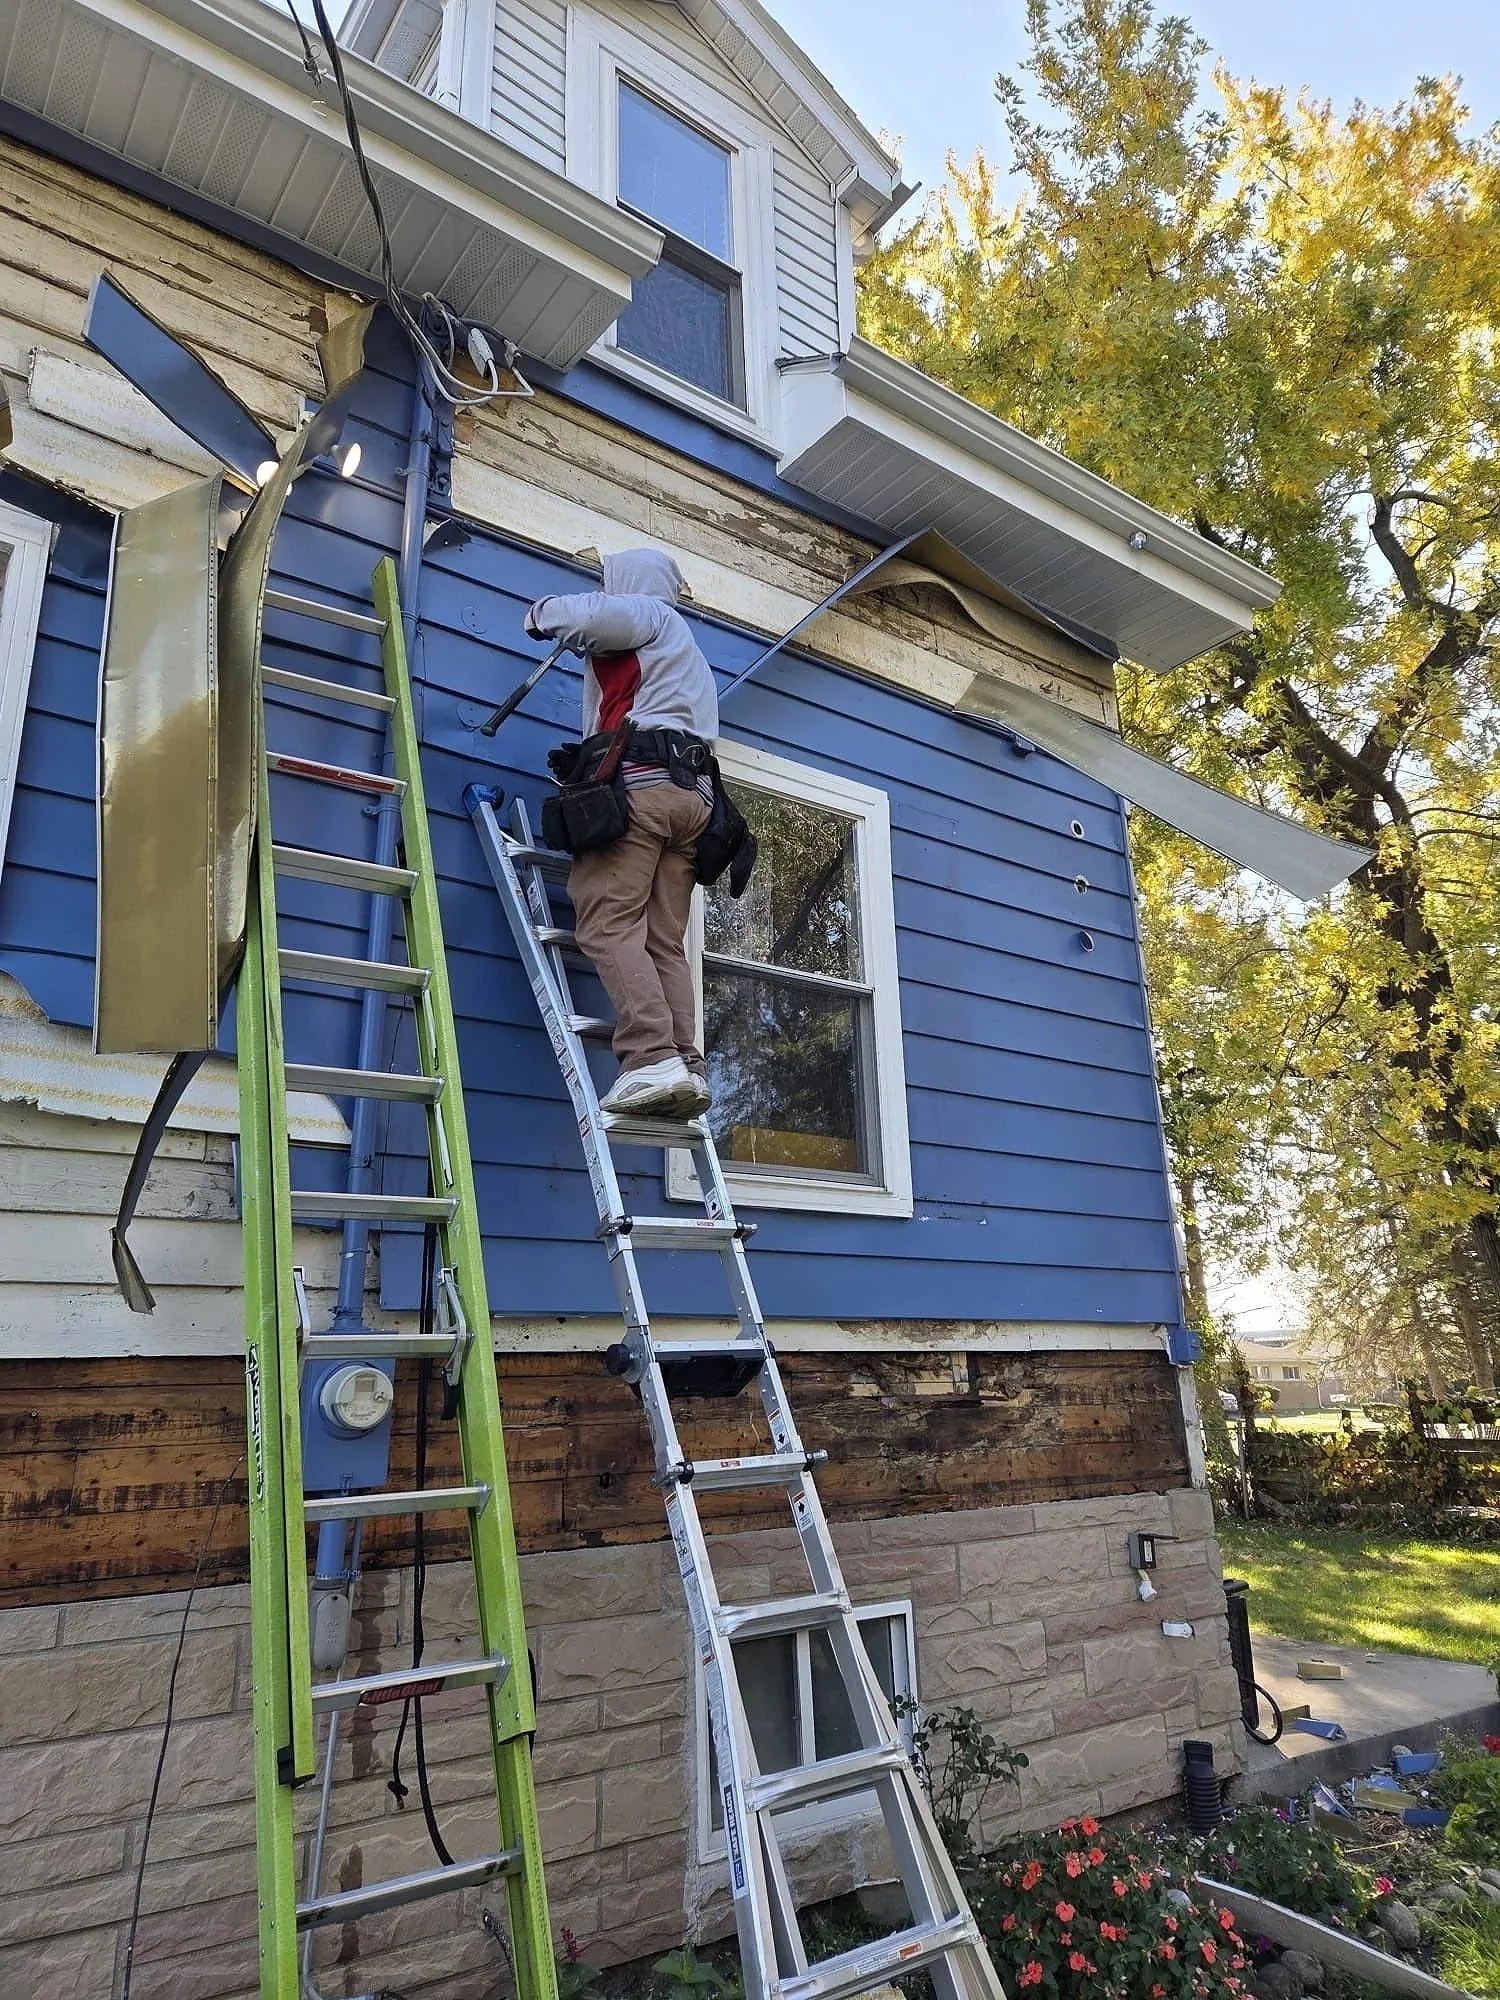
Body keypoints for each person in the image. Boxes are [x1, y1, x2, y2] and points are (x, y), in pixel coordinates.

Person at [524, 548, 718, 1119]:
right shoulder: (691, 656)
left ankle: (650, 1058)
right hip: (695, 802)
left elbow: (584, 617)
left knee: (608, 920)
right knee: (662, 938)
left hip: (644, 787)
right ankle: (686, 1063)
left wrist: (538, 614)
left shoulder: (650, 615)